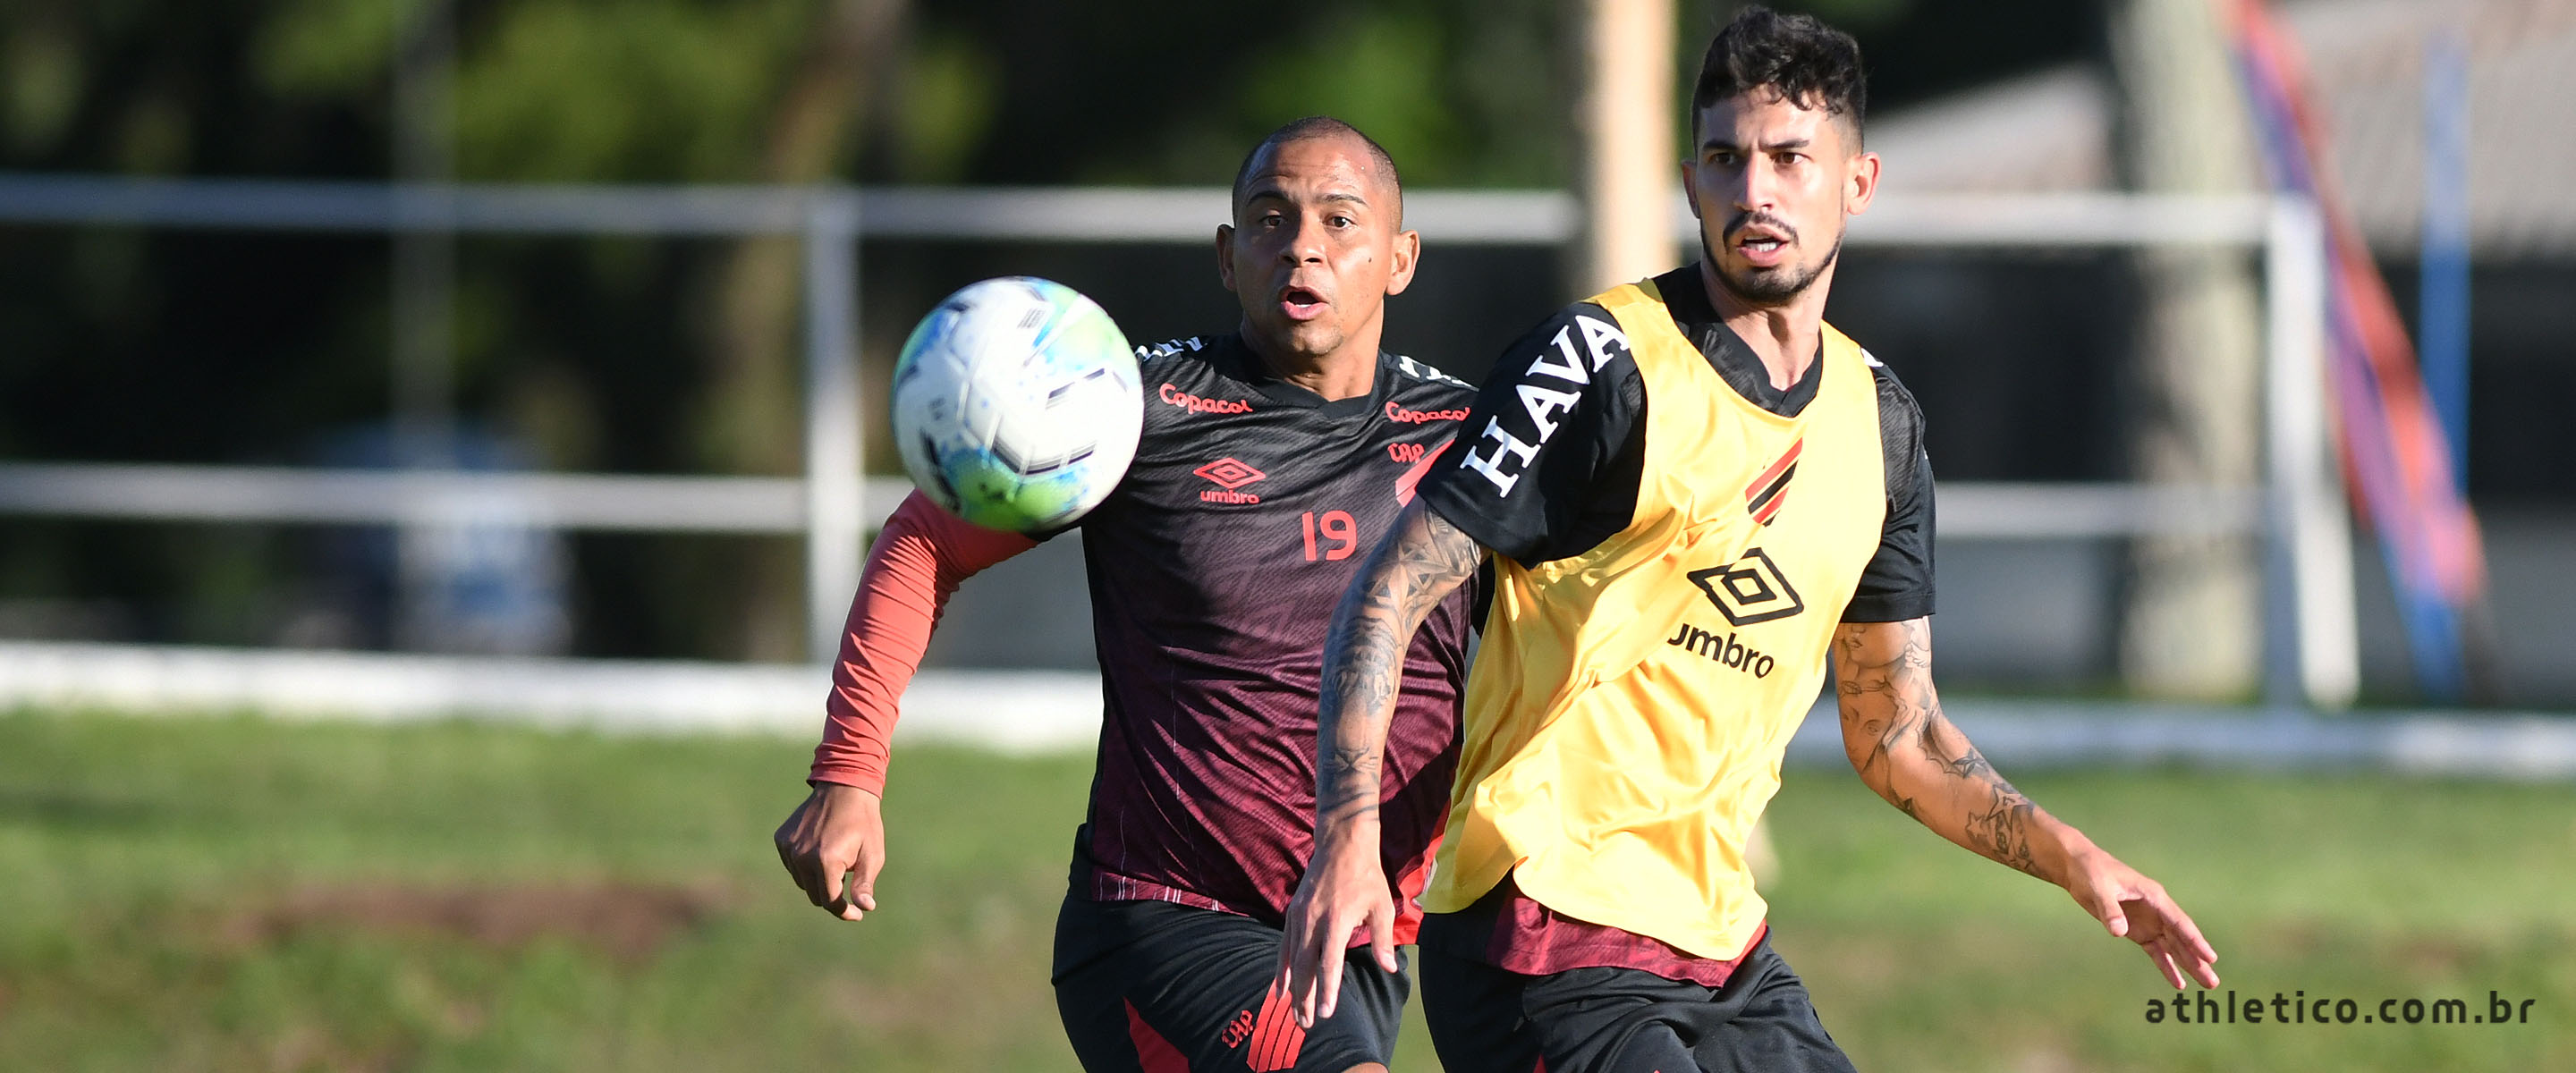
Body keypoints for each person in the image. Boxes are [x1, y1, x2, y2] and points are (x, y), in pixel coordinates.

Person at [1276, 9, 2221, 1072]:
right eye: (1726, 160)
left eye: (1788, 159)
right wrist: (1348, 826)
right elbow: (1393, 587)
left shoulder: (1882, 425)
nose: (1756, 192)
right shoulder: (1600, 362)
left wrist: (2073, 856)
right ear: (1692, 184)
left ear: (1857, 181)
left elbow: (1898, 735)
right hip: (1541, 928)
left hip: (1724, 948)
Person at [774, 116, 1480, 1073]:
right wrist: (851, 772)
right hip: (1170, 924)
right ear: (1229, 257)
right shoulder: (1134, 413)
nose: (1303, 244)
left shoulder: (1468, 438)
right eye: (1271, 220)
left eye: (1339, 220)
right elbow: (924, 540)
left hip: (1363, 934)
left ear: (1400, 258)